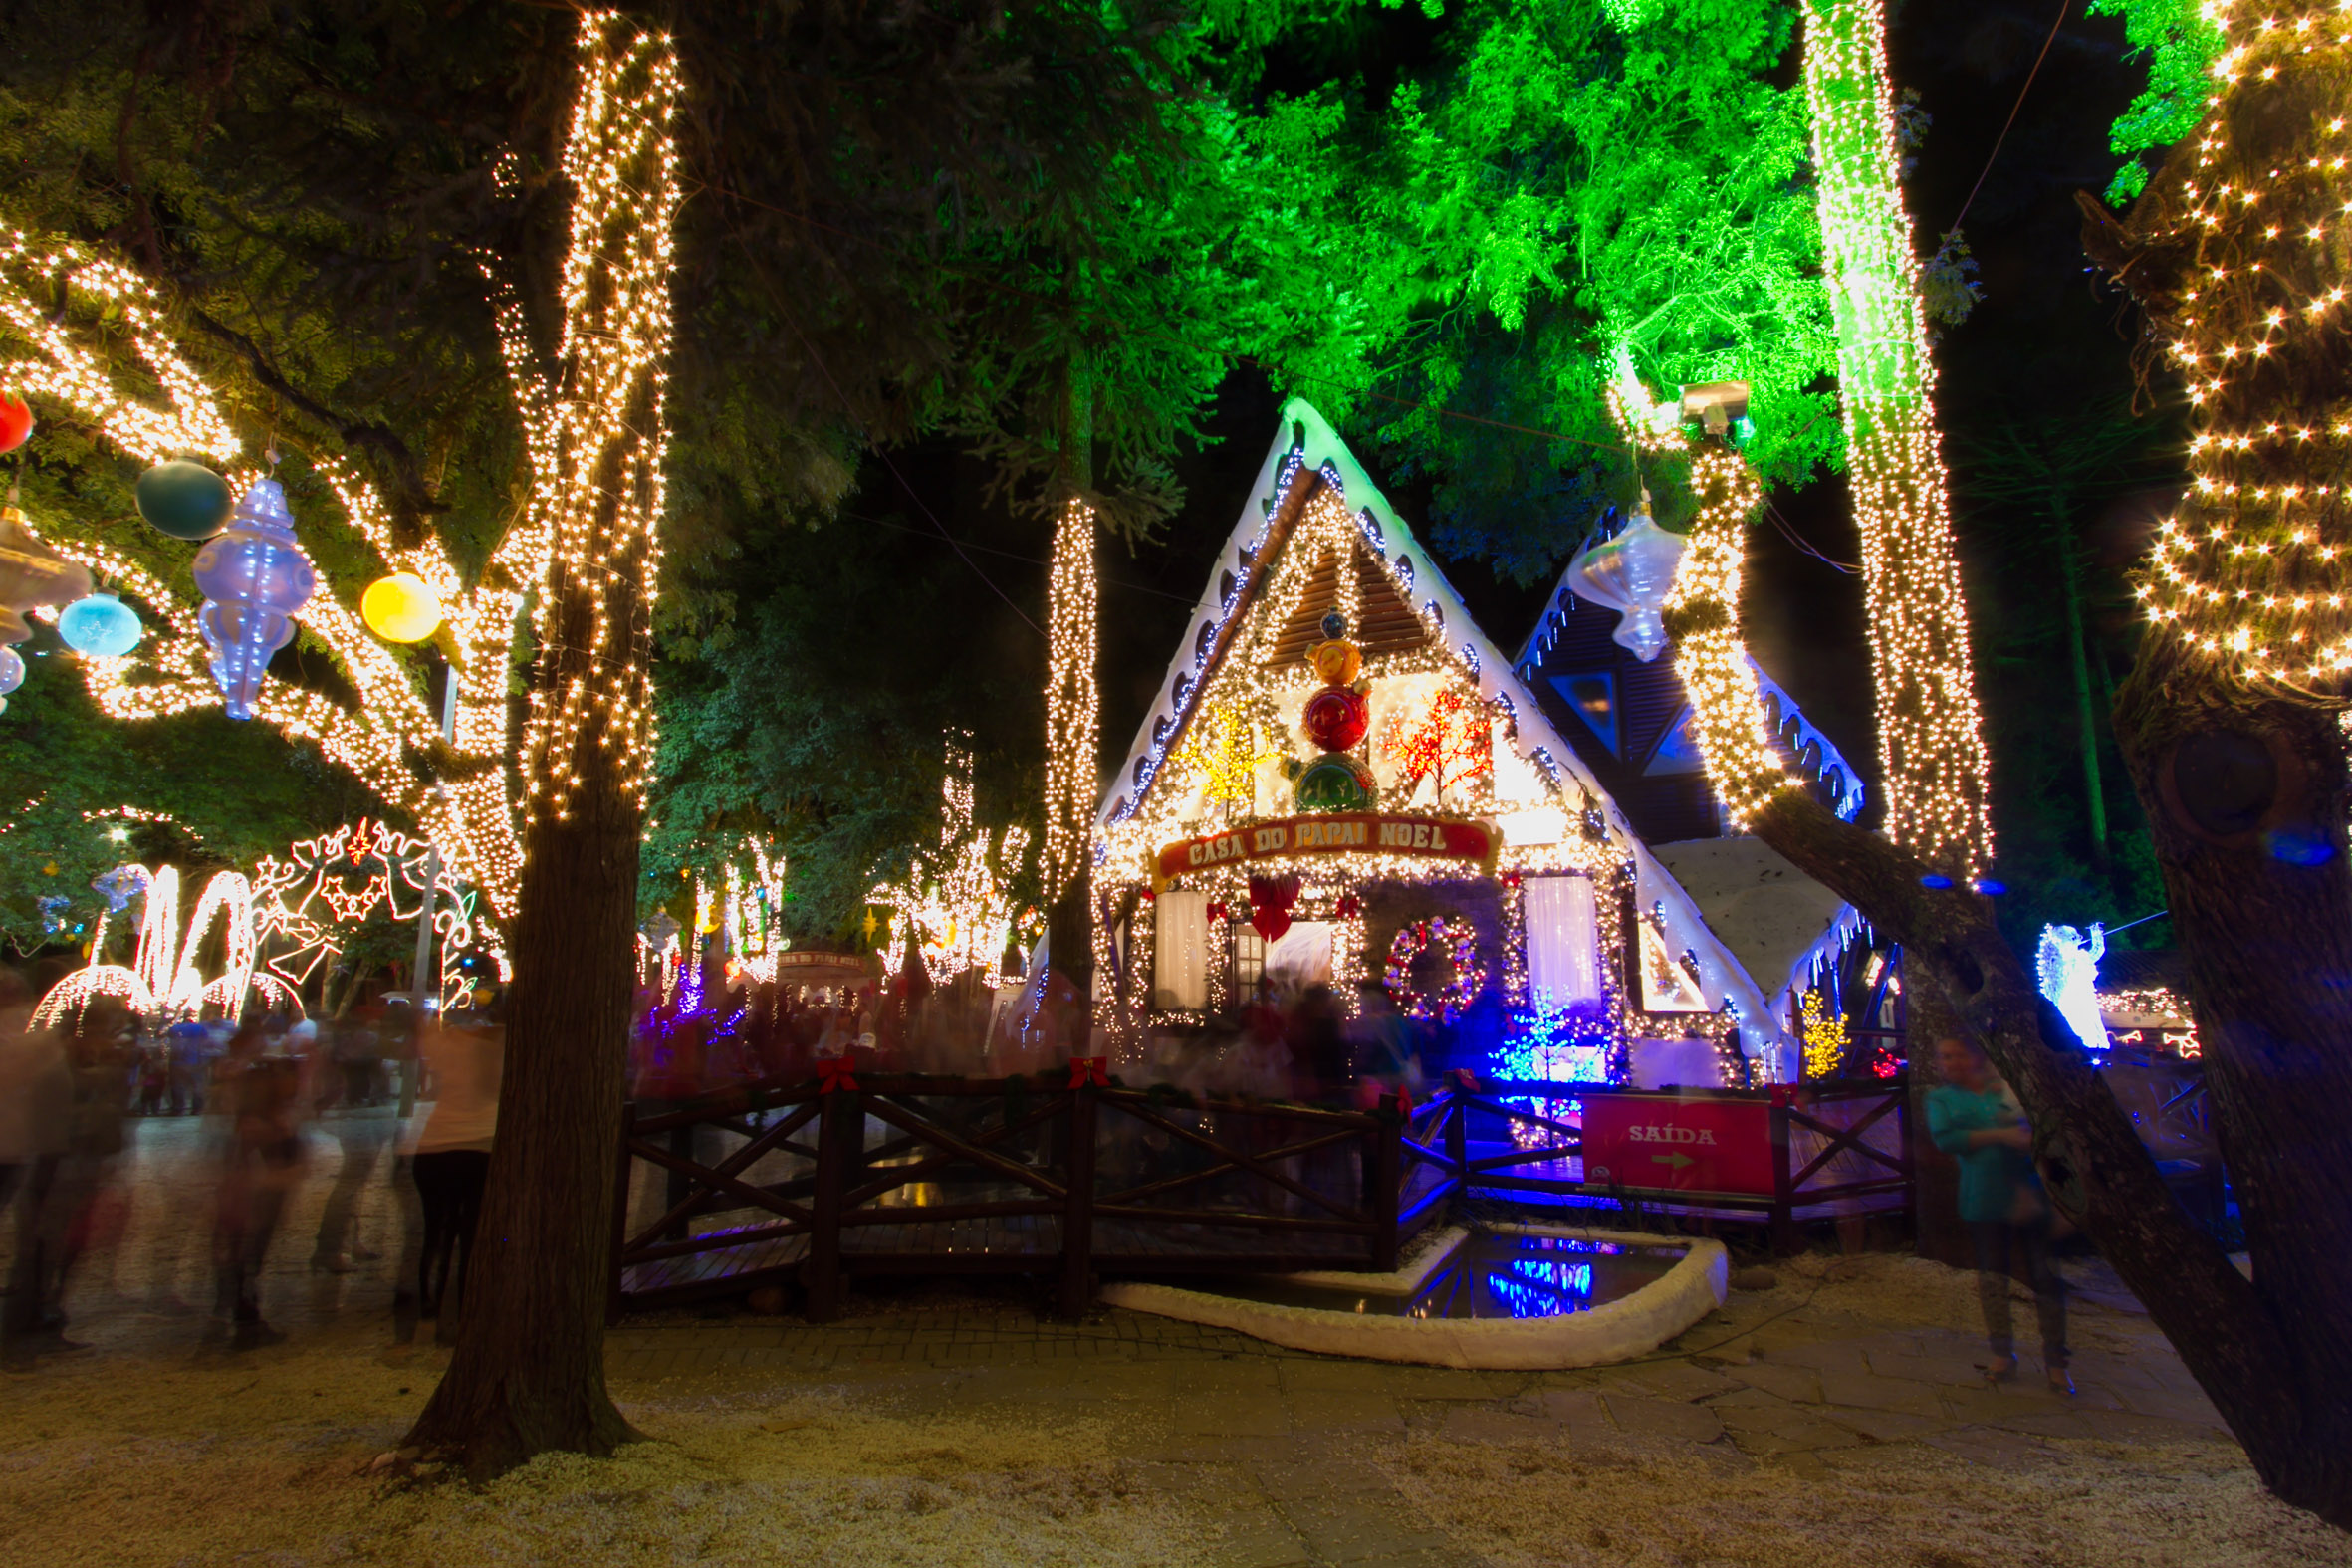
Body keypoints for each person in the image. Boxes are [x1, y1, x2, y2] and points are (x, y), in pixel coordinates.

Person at [1926, 1035, 2071, 1394]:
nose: (1951, 1063)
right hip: (1983, 1198)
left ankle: (2056, 1361)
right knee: (1993, 1279)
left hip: (2029, 1195)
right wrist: (2003, 1135)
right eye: (1945, 1056)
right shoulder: (1941, 1099)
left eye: (1958, 1054)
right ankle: (2003, 1354)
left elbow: (2037, 1134)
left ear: (1976, 1056)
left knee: (2046, 1277)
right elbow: (1948, 1140)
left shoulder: (2005, 1091)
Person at [406, 1010, 500, 1346]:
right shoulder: (498, 1048)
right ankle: (467, 1316)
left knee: (436, 1234)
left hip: (434, 1145)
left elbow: (421, 1034)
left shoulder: (445, 1044)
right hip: (479, 1145)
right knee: (474, 1236)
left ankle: (429, 1315)